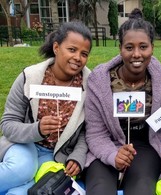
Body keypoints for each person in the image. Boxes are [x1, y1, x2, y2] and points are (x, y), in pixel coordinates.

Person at [84, 8, 161, 195]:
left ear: (152, 48)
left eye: (143, 47)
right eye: (129, 47)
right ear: (120, 48)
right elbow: (95, 133)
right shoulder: (99, 81)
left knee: (141, 190)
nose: (136, 54)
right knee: (100, 190)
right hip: (106, 144)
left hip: (145, 146)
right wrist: (113, 155)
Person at [0, 21, 92, 195]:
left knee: (24, 192)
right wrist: (37, 129)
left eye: (84, 53)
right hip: (24, 144)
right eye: (72, 50)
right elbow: (7, 124)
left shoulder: (90, 85)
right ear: (56, 47)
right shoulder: (30, 77)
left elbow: (88, 132)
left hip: (56, 155)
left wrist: (78, 156)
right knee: (23, 168)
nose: (78, 58)